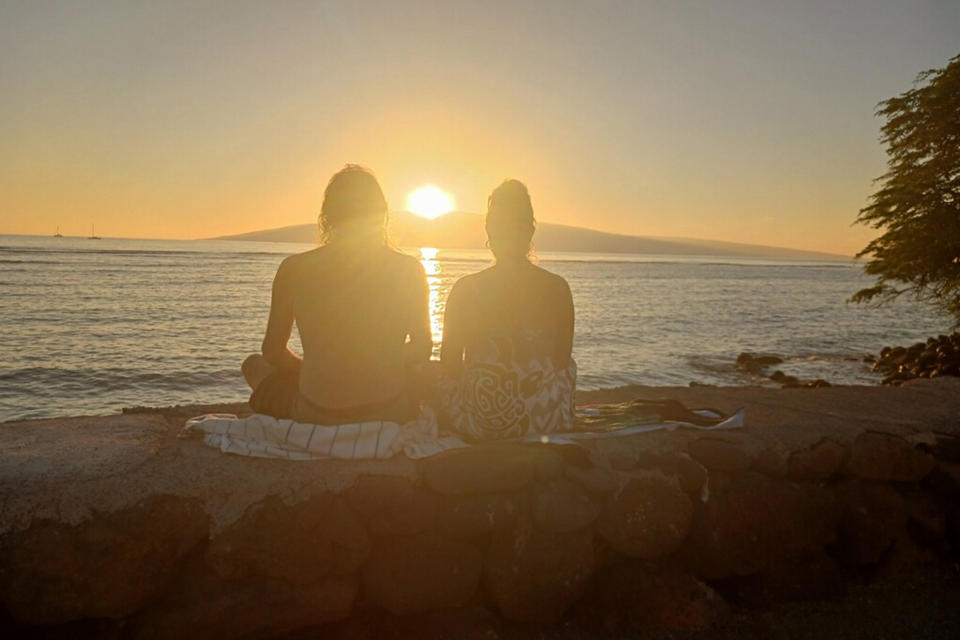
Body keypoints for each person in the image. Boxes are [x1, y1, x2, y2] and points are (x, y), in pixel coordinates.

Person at [242, 165, 431, 424]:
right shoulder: (410, 269)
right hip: (388, 411)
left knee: (253, 365)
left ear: (327, 216)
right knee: (432, 373)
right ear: (382, 214)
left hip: (316, 412)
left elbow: (272, 353)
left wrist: (313, 368)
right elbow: (422, 348)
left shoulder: (293, 268)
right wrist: (377, 365)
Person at [438, 179, 576, 440]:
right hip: (545, 419)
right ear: (530, 231)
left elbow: (450, 366)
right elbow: (561, 362)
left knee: (430, 375)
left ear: (489, 232)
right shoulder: (558, 288)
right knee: (566, 368)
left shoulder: (466, 289)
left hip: (481, 420)